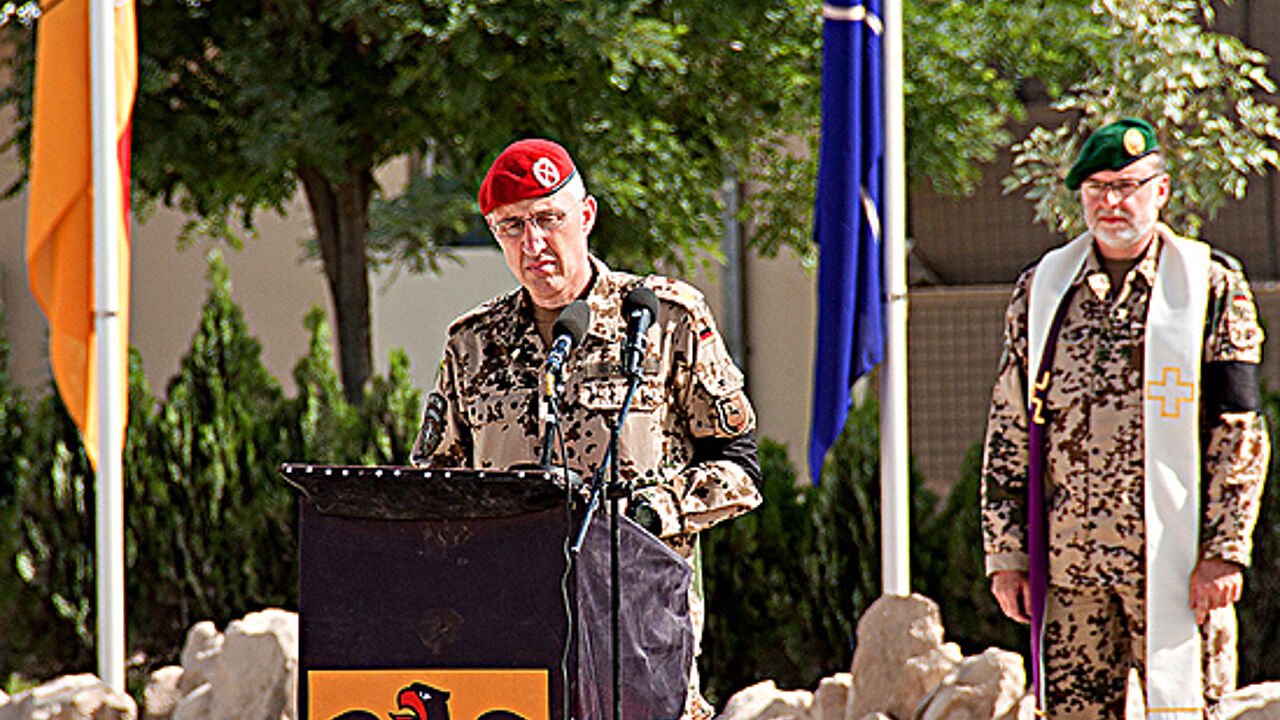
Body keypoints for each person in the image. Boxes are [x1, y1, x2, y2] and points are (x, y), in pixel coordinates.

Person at [411, 138, 762, 719]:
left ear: (586, 216)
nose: (534, 243)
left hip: (639, 630)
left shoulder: (661, 319)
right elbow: (435, 492)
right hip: (510, 635)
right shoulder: (471, 343)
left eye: (549, 218)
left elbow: (739, 463)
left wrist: (657, 513)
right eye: (511, 227)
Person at [981, 118, 1269, 719]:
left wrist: (1225, 547)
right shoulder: (1042, 290)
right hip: (1070, 572)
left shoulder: (1211, 287)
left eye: (1128, 185)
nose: (1112, 202)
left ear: (1161, 191)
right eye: (1097, 188)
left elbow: (1238, 430)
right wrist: (1007, 553)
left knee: (1186, 712)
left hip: (1175, 563)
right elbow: (1010, 425)